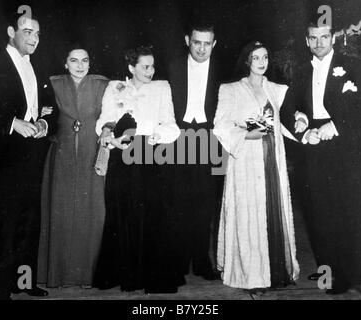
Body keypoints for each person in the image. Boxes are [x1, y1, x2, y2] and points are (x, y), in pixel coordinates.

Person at [280, 18, 361, 294]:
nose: (318, 43)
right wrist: (300, 123)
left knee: (345, 211)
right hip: (313, 148)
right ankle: (327, 271)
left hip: (343, 148)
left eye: (324, 37)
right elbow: (287, 107)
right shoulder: (301, 71)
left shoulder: (354, 66)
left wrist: (335, 125)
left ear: (333, 38)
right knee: (318, 212)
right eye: (313, 38)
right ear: (306, 41)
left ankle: (345, 277)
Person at [0, 12, 56, 300]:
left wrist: (44, 124)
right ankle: (0, 291)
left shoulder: (38, 66)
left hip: (32, 154)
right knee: (0, 225)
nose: (34, 38)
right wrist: (11, 123)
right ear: (11, 31)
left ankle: (23, 282)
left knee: (28, 221)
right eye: (28, 32)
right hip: (1, 157)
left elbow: (49, 107)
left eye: (37, 34)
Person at [213, 41, 300, 295]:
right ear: (247, 61)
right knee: (250, 215)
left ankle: (276, 271)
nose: (261, 62)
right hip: (247, 161)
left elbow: (292, 114)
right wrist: (247, 135)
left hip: (272, 160)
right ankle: (252, 276)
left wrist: (302, 121)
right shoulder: (230, 90)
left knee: (272, 210)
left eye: (265, 57)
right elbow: (221, 125)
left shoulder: (276, 89)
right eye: (256, 58)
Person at [93, 46, 182, 293]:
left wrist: (156, 135)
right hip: (122, 155)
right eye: (144, 66)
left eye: (152, 66)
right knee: (123, 215)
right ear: (131, 68)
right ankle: (126, 276)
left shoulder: (162, 87)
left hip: (152, 154)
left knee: (153, 215)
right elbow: (104, 121)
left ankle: (151, 277)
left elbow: (172, 125)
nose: (150, 71)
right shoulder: (114, 87)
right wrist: (110, 136)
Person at [37, 46, 109, 288]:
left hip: (92, 152)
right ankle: (58, 275)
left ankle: (87, 276)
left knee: (92, 213)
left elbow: (113, 113)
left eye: (85, 60)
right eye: (74, 60)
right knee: (62, 212)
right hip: (63, 154)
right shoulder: (53, 84)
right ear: (65, 63)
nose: (80, 65)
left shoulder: (102, 85)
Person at [167, 22, 223, 281]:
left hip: (209, 139)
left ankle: (201, 261)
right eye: (196, 42)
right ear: (187, 40)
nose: (201, 48)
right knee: (177, 201)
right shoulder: (171, 66)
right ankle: (177, 261)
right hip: (177, 137)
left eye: (206, 43)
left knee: (205, 203)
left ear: (214, 44)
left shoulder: (224, 70)